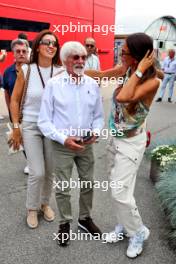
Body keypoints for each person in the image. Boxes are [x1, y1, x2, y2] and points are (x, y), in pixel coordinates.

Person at [86, 33, 160, 258]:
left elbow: (125, 97)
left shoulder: (152, 81)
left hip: (130, 143)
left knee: (119, 192)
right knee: (120, 190)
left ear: (138, 57)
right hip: (115, 138)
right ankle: (124, 225)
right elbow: (100, 74)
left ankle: (138, 231)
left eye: (125, 51)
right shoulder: (126, 69)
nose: (120, 53)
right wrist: (74, 70)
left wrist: (138, 71)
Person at [38, 41, 104, 246]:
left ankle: (85, 219)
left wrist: (95, 132)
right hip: (62, 145)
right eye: (75, 57)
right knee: (63, 187)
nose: (81, 61)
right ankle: (64, 223)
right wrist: (63, 139)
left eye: (83, 57)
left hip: (86, 143)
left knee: (88, 183)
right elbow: (44, 121)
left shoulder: (92, 85)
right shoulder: (53, 85)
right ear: (65, 60)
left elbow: (99, 117)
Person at [10, 29, 61, 229]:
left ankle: (44, 203)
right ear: (38, 46)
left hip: (52, 127)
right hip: (30, 126)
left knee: (50, 172)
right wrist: (16, 127)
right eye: (47, 42)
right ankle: (31, 208)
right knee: (37, 172)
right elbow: (14, 100)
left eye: (54, 43)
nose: (51, 46)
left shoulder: (60, 71)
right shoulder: (26, 70)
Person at [3, 38, 30, 173]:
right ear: (13, 53)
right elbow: (7, 93)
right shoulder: (8, 72)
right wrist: (10, 112)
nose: (21, 54)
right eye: (18, 51)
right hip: (17, 114)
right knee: (22, 139)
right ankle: (30, 162)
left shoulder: (33, 69)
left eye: (24, 51)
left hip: (33, 112)